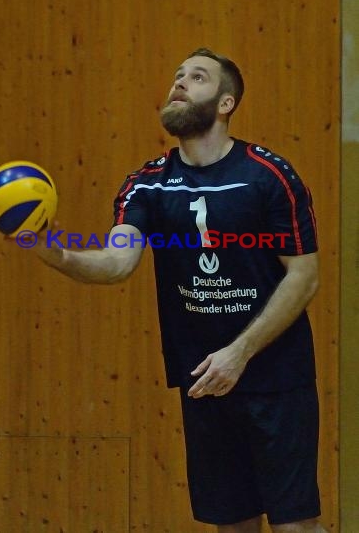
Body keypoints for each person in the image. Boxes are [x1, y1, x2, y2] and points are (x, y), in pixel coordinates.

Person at [31, 48, 328, 533]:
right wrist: (58, 253)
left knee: (295, 526)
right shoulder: (147, 185)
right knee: (232, 524)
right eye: (177, 77)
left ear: (226, 102)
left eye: (197, 77)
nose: (180, 85)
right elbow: (115, 263)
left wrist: (240, 352)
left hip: (275, 377)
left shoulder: (269, 175)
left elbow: (304, 275)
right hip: (203, 379)